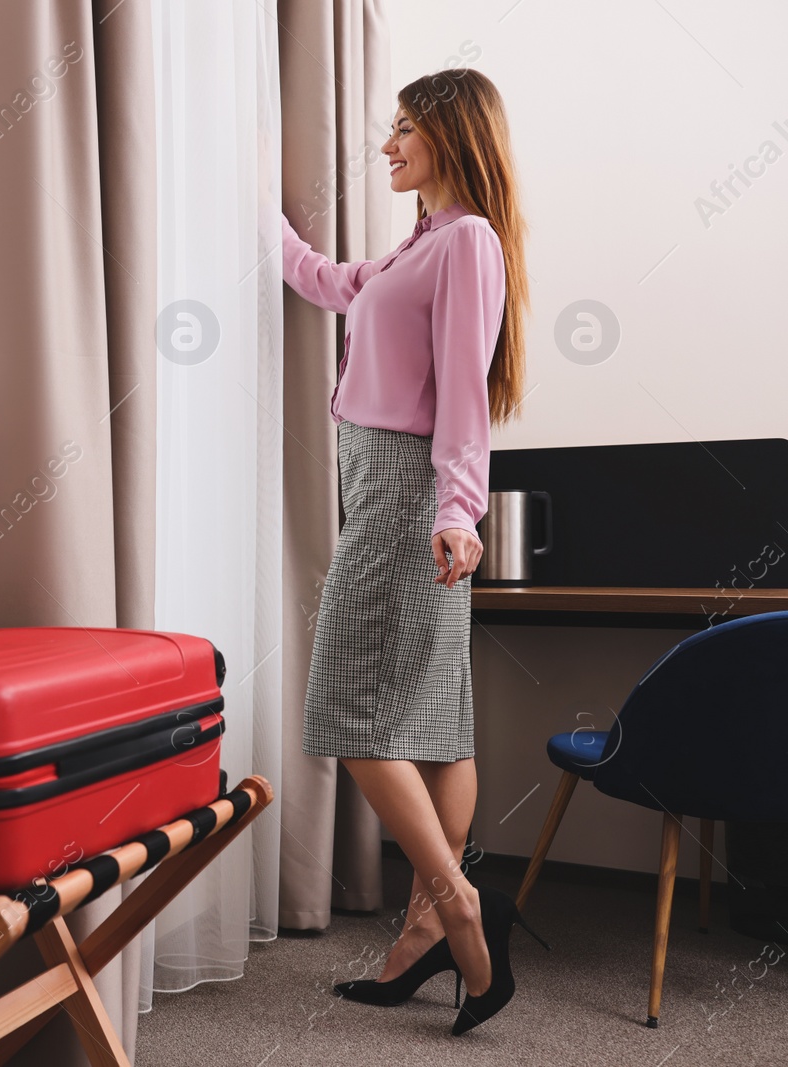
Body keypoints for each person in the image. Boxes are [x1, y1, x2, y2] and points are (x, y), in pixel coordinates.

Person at [281, 67, 540, 1035]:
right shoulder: (413, 249)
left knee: (346, 709)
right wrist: (247, 214)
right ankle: (421, 929)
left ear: (450, 137)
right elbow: (323, 279)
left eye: (403, 131)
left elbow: (464, 393)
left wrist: (458, 509)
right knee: (436, 716)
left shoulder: (466, 241)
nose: (386, 146)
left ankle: (465, 911)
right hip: (388, 485)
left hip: (406, 492)